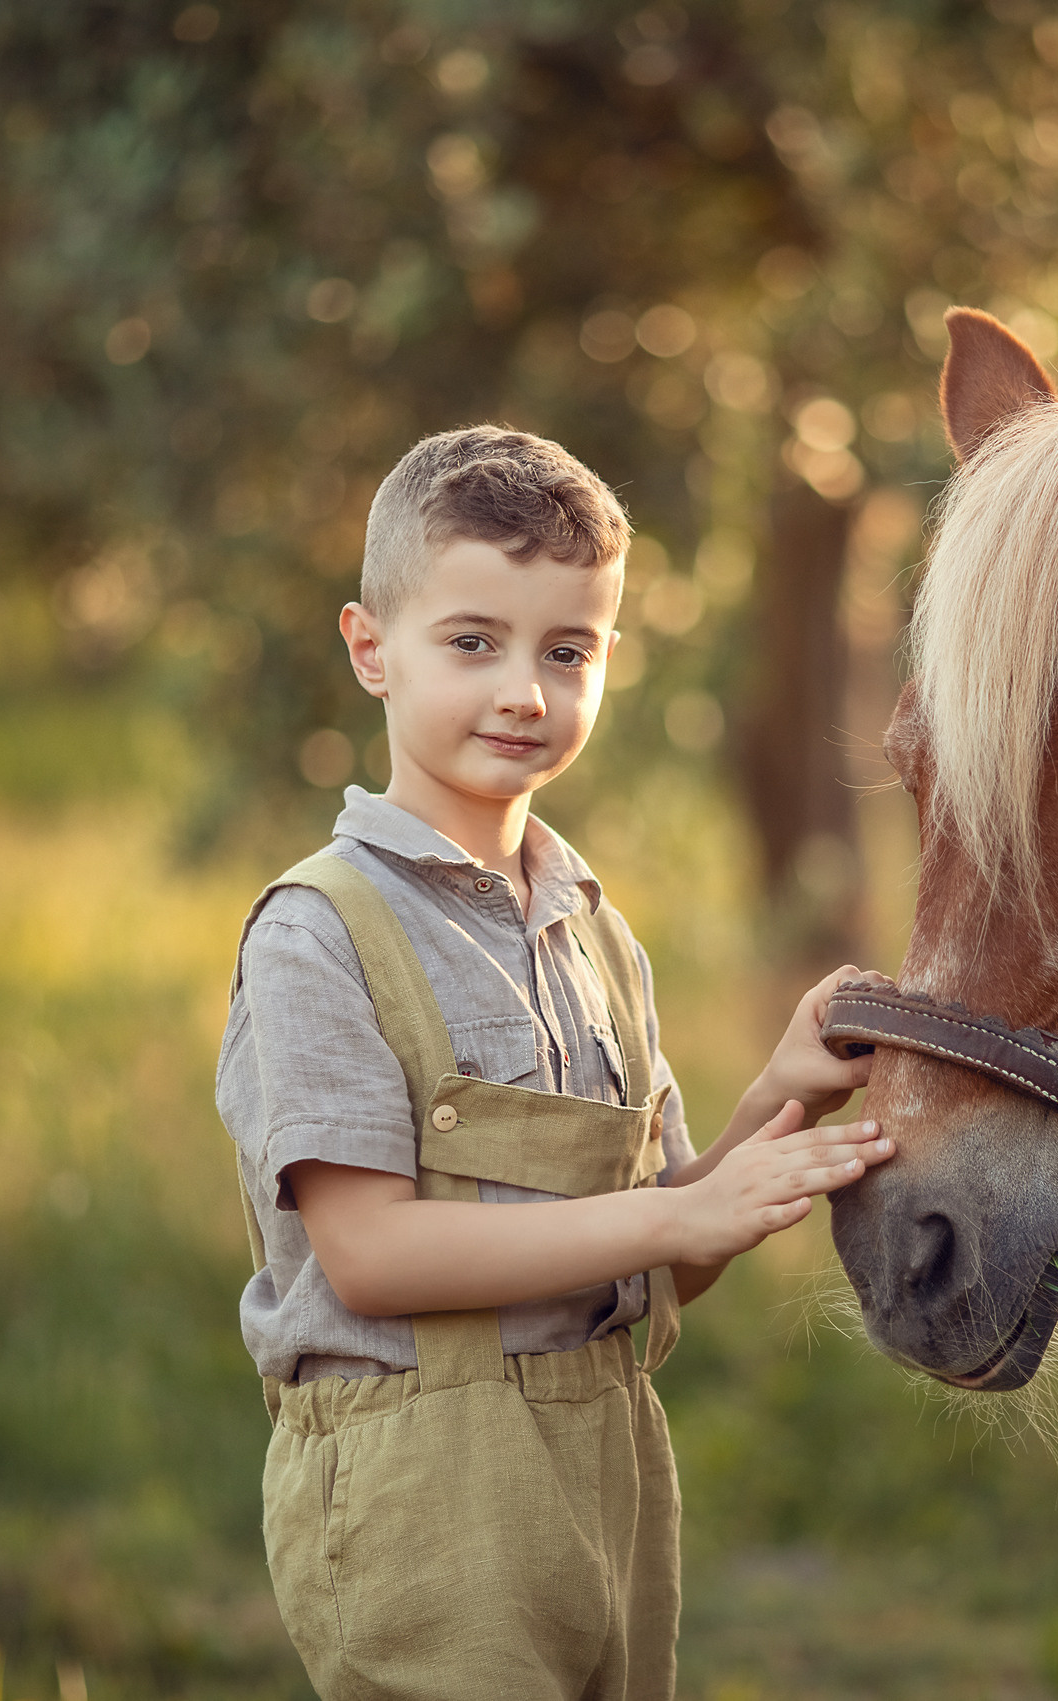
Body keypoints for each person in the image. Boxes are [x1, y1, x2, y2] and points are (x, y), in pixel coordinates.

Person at [215, 425, 895, 1701]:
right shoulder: (320, 932)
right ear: (370, 648)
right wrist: (672, 1209)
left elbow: (671, 1246)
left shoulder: (592, 932)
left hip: (610, 1475)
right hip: (430, 1499)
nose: (524, 691)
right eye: (471, 642)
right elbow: (369, 1256)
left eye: (566, 651)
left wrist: (782, 1095)